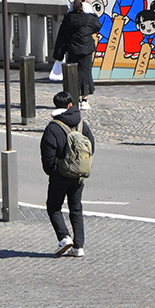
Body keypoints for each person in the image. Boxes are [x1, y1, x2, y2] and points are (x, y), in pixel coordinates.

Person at [42, 89, 94, 257]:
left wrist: (54, 170)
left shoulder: (53, 128)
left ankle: (64, 237)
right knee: (76, 208)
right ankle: (79, 247)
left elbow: (48, 156)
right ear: (70, 105)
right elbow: (91, 144)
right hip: (79, 174)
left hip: (60, 175)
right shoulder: (81, 124)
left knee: (54, 207)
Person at [53, 0, 106, 109]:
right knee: (85, 72)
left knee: (73, 73)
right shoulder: (89, 18)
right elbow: (97, 26)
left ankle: (73, 98)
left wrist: (58, 55)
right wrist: (90, 12)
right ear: (85, 3)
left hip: (72, 49)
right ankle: (85, 100)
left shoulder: (68, 18)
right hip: (86, 49)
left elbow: (61, 37)